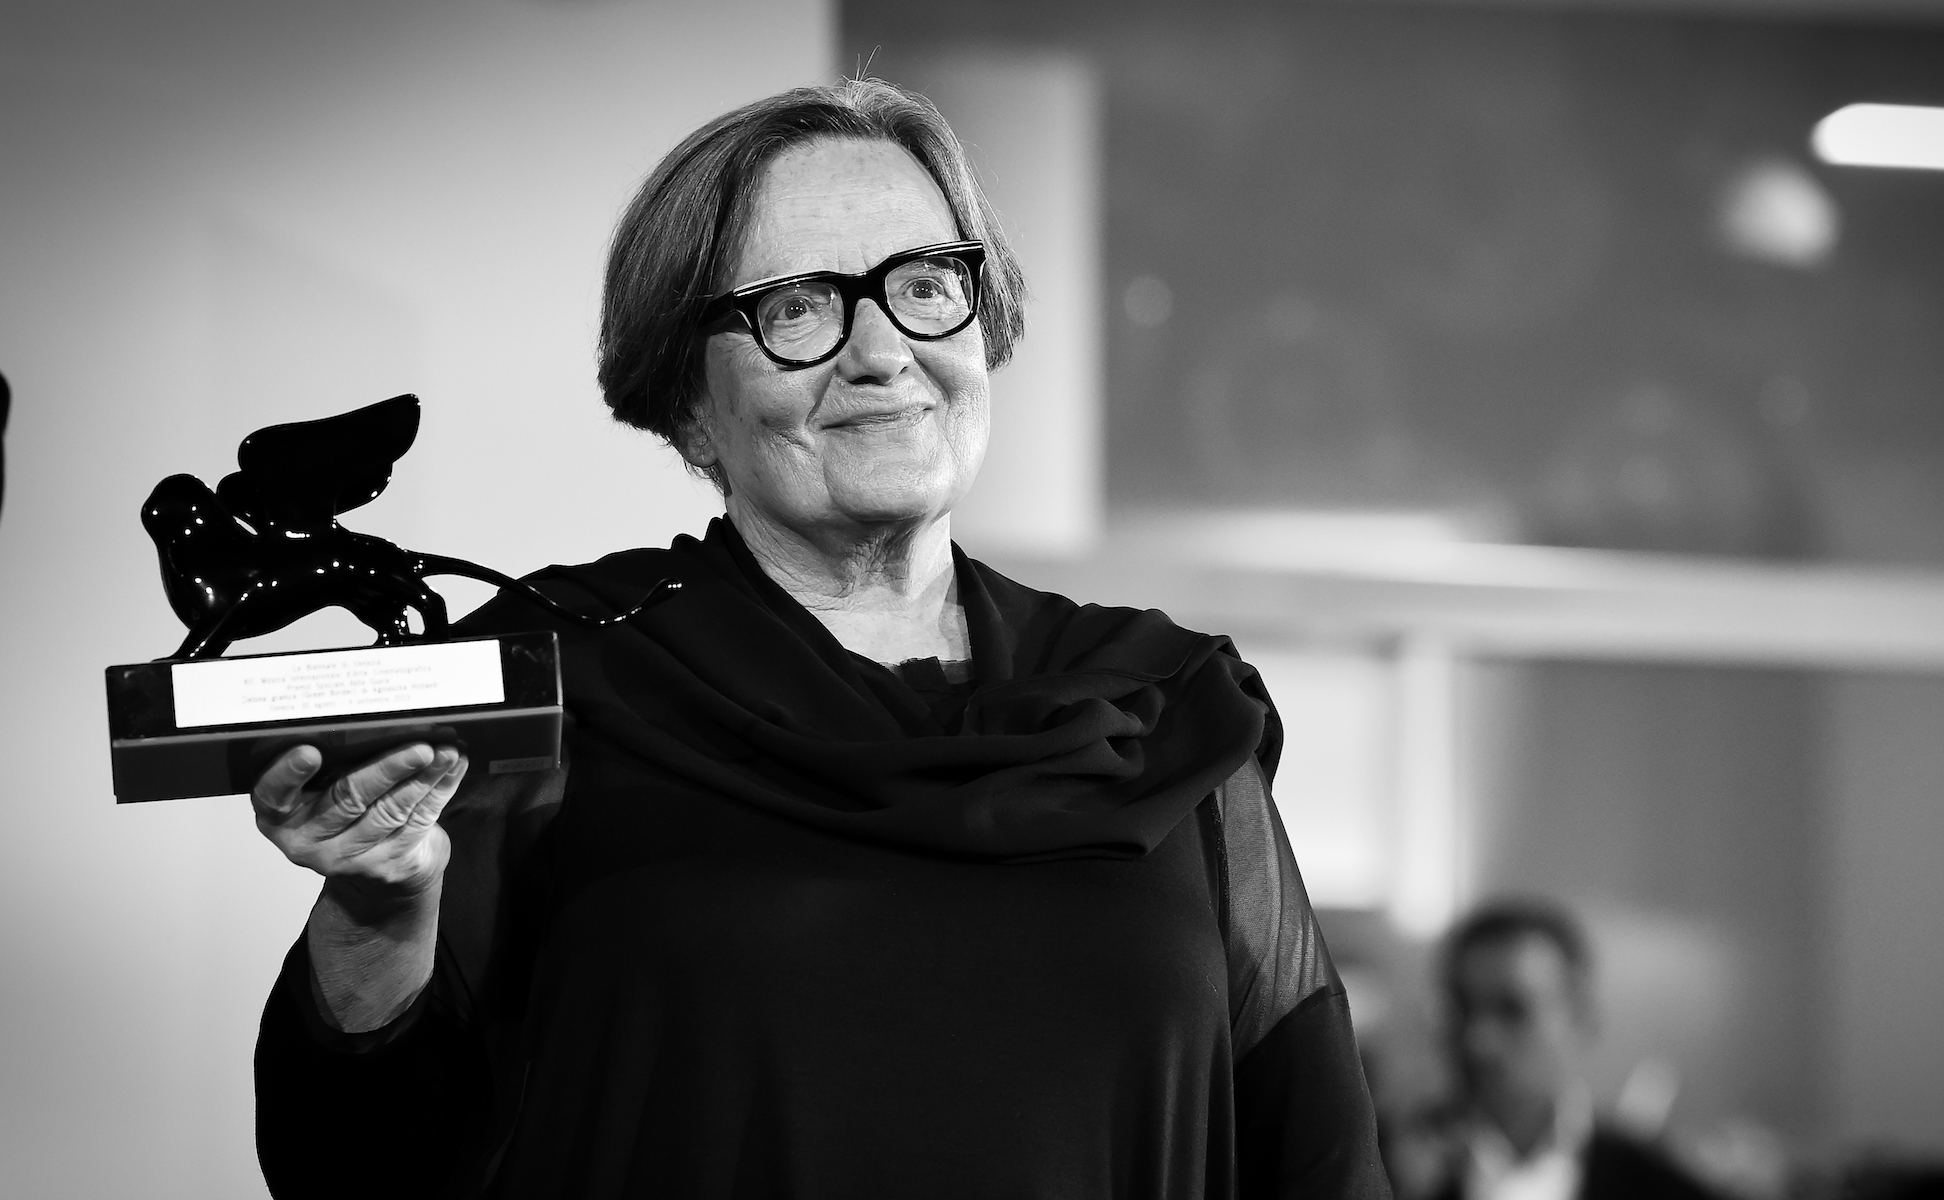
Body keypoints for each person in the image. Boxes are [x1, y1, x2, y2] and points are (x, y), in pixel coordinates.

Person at [246, 78, 1387, 1199]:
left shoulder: (1170, 706)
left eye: (927, 283)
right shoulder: (558, 673)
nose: (882, 351)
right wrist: (376, 914)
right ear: (687, 398)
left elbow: (1321, 1160)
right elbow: (348, 1167)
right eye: (797, 306)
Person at [1403, 899, 1721, 1200]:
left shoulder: (1656, 1182)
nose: (1479, 1039)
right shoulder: (1385, 1170)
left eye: (1513, 1010)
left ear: (1581, 1017)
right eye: (1463, 1009)